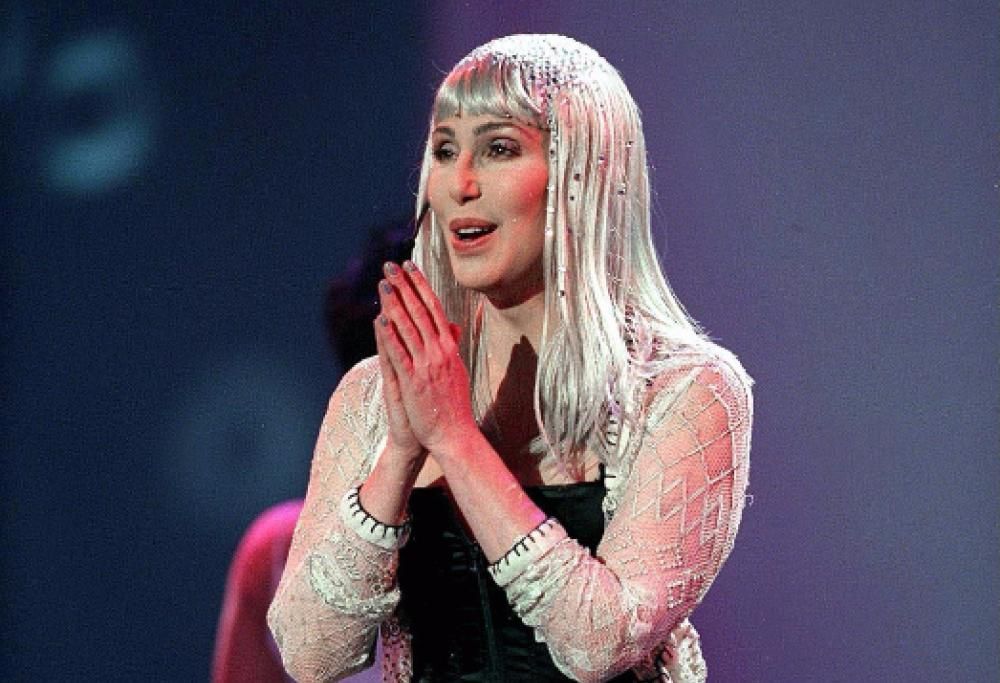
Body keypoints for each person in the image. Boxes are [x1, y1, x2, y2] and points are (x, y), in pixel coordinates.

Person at [267, 34, 753, 683]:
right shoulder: (372, 395)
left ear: (582, 176)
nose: (460, 184)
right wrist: (401, 452)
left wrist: (454, 440)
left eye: (498, 148)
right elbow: (310, 654)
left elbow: (599, 645)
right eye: (445, 151)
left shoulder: (686, 392)